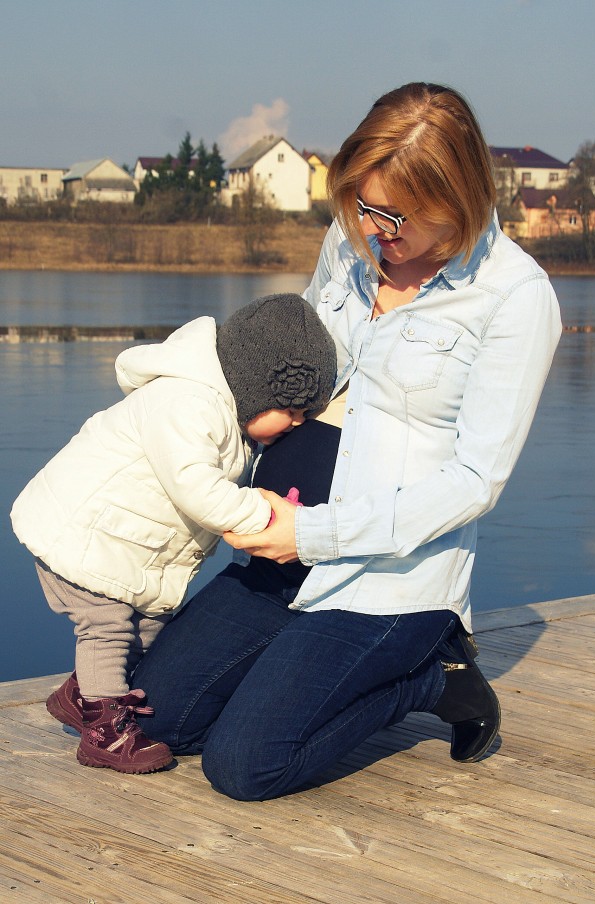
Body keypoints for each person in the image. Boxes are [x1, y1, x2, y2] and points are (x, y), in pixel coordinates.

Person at [134, 82, 562, 799]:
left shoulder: (516, 297)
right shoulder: (351, 241)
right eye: (360, 204)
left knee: (244, 765)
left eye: (394, 216)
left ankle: (433, 676)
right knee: (153, 720)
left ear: (456, 200)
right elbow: (294, 366)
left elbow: (475, 481)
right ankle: (296, 666)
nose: (371, 230)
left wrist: (316, 535)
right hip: (280, 545)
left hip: (389, 581)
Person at [10, 293, 337, 774]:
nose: (296, 423)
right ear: (254, 387)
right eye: (291, 409)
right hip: (79, 539)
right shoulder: (187, 403)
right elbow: (197, 489)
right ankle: (102, 734)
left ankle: (80, 695)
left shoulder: (226, 414)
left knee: (149, 633)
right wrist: (266, 517)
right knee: (107, 628)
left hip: (115, 546)